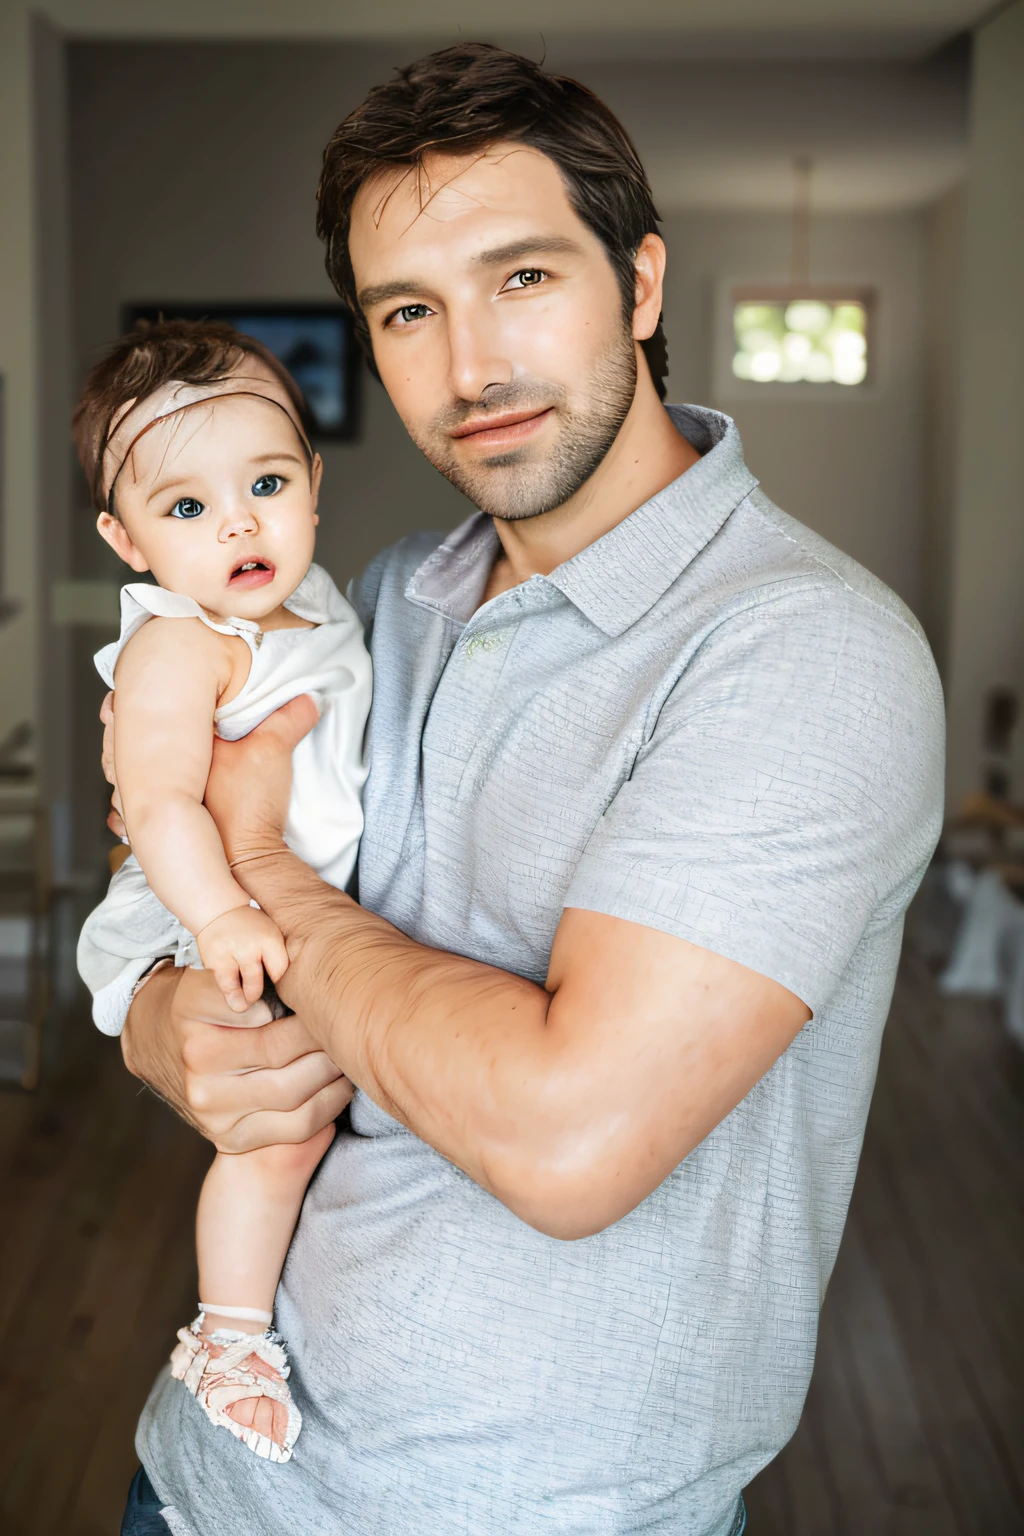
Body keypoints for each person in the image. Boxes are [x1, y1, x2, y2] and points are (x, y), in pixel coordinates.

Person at [108, 43, 945, 1536]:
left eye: (526, 278)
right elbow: (176, 934)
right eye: (409, 312)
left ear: (639, 285)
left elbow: (568, 1142)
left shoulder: (807, 653)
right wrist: (163, 1028)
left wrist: (265, 874)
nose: (470, 365)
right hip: (213, 1476)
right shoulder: (378, 606)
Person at [73, 319, 372, 1464]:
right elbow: (153, 806)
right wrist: (220, 912)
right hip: (197, 909)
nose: (239, 522)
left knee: (309, 1114)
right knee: (276, 1136)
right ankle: (230, 1334)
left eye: (264, 482)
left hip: (275, 905)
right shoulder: (182, 644)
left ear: (311, 483)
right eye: (186, 508)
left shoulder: (319, 604)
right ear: (127, 537)